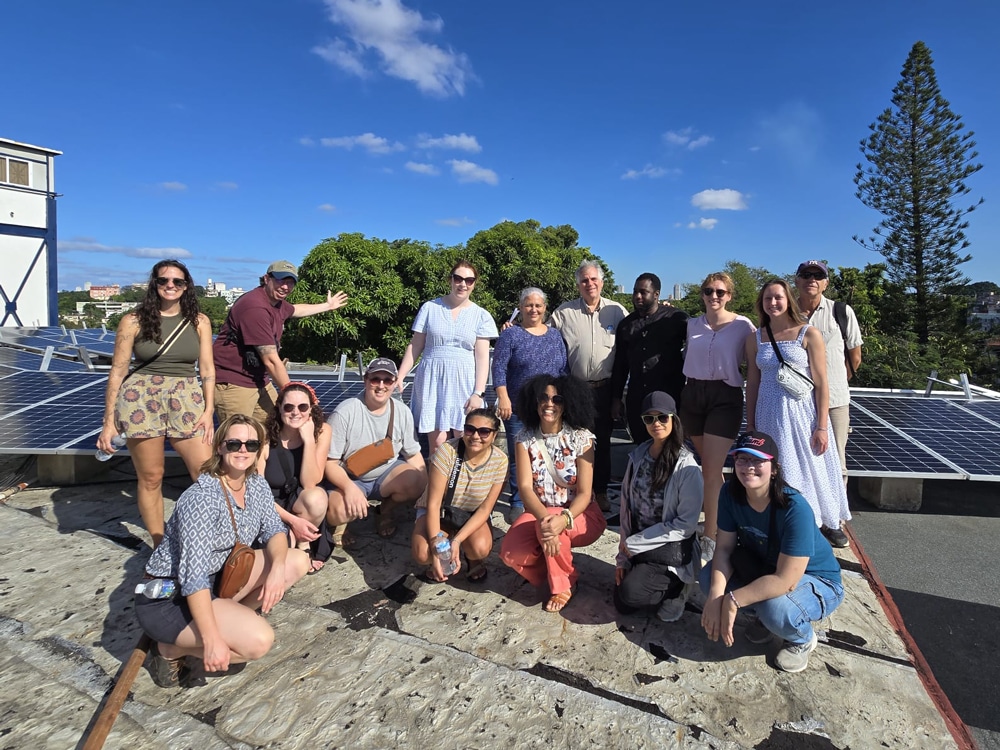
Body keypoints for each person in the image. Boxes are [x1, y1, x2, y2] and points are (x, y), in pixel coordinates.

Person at [135, 414, 310, 687]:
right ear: (219, 447)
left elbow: (274, 530)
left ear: (260, 449)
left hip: (218, 578)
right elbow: (193, 578)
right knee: (258, 643)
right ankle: (169, 650)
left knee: (296, 561)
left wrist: (276, 570)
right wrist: (212, 640)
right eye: (234, 444)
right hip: (172, 598)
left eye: (251, 445)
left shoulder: (255, 484)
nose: (243, 450)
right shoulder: (203, 499)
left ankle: (228, 620)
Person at [700, 431, 845, 673]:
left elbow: (785, 580)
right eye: (742, 459)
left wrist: (734, 601)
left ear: (774, 468)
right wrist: (716, 597)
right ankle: (767, 620)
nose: (749, 467)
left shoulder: (794, 508)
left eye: (758, 460)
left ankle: (801, 638)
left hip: (817, 580)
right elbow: (724, 548)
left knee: (774, 609)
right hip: (766, 567)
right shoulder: (730, 494)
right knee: (708, 580)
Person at [98, 259, 215, 548]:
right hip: (141, 398)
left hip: (187, 396)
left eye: (177, 281)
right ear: (155, 284)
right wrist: (108, 422)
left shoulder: (199, 321)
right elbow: (118, 370)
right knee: (151, 477)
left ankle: (209, 533)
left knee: (207, 473)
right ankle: (160, 542)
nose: (170, 286)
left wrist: (209, 410)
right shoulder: (133, 321)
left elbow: (208, 369)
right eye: (164, 281)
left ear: (187, 286)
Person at [744, 279, 851, 539]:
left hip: (801, 413)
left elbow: (822, 382)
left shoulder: (808, 333)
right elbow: (753, 381)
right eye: (768, 298)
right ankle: (781, 519)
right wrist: (750, 422)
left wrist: (822, 425)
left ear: (788, 300)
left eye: (778, 297)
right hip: (768, 414)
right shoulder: (755, 338)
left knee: (810, 465)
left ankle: (824, 519)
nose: (773, 303)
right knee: (776, 468)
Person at [500, 375, 607, 614]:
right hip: (541, 513)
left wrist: (562, 519)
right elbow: (526, 488)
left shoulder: (582, 438)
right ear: (535, 402)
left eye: (557, 398)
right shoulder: (524, 439)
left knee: (548, 528)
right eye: (544, 398)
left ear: (567, 403)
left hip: (580, 515)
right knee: (510, 552)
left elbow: (585, 493)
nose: (550, 404)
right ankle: (561, 571)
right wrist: (546, 519)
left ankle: (564, 585)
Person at [213, 260, 348, 424]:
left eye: (290, 282)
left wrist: (328, 306)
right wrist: (295, 395)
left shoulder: (276, 303)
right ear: (266, 278)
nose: (285, 287)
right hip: (235, 383)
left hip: (259, 380)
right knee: (239, 439)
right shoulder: (255, 308)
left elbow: (295, 310)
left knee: (272, 428)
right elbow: (270, 360)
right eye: (280, 280)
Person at [679, 272, 756, 559]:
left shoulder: (743, 327)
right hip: (693, 396)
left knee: (711, 470)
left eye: (720, 292)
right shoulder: (692, 325)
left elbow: (755, 366)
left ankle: (710, 539)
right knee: (709, 469)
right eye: (709, 291)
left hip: (725, 397)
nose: (714, 296)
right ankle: (725, 520)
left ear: (730, 296)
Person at [615, 392, 703, 622]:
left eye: (663, 417)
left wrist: (635, 543)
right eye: (649, 418)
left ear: (674, 419)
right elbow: (626, 510)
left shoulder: (687, 466)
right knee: (622, 604)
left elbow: (686, 525)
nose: (656, 424)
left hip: (666, 547)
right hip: (640, 545)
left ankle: (677, 589)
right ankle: (646, 577)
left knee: (630, 594)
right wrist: (622, 559)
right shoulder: (638, 456)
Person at [794, 260, 863, 547]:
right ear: (796, 281)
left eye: (817, 276)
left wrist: (831, 383)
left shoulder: (841, 312)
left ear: (825, 282)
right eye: (806, 275)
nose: (812, 279)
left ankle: (834, 521)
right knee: (797, 459)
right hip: (797, 402)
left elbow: (855, 356)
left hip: (834, 401)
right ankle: (802, 518)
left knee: (836, 461)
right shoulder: (787, 311)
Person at [548, 260, 627, 511]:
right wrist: (515, 329)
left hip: (606, 388)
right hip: (575, 389)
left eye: (594, 279)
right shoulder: (563, 313)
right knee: (574, 444)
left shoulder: (617, 311)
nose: (589, 284)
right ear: (578, 284)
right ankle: (578, 492)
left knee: (602, 443)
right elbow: (542, 336)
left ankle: (601, 492)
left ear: (602, 282)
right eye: (584, 280)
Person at [397, 260, 499, 454]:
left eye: (469, 280)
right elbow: (416, 344)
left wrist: (478, 393)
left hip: (464, 381)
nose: (463, 284)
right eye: (458, 278)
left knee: (465, 438)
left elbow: (482, 357)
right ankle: (437, 484)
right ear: (450, 280)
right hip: (431, 379)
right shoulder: (430, 308)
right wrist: (400, 376)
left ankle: (461, 483)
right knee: (437, 444)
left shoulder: (481, 315)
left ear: (474, 283)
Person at [325, 358, 428, 539]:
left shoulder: (402, 412)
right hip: (350, 477)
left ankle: (383, 512)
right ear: (366, 380)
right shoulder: (345, 412)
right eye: (375, 379)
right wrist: (349, 488)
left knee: (417, 481)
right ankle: (343, 523)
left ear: (395, 383)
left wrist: (426, 489)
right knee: (338, 512)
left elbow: (412, 454)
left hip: (385, 474)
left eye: (387, 380)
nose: (381, 385)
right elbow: (329, 463)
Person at [492, 287, 567, 520]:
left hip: (550, 407)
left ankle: (545, 497)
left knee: (550, 454)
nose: (533, 309)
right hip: (518, 406)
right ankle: (517, 500)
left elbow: (563, 369)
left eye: (538, 305)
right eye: (528, 305)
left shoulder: (555, 336)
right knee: (519, 455)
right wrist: (503, 396)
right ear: (521, 307)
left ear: (545, 308)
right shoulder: (511, 335)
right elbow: (499, 368)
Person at [411, 408, 508, 582]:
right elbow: (433, 504)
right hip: (440, 511)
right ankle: (441, 552)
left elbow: (485, 509)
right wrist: (436, 551)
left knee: (481, 548)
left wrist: (456, 541)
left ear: (494, 436)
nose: (476, 436)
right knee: (423, 553)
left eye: (484, 431)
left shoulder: (500, 461)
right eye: (470, 429)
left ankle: (470, 557)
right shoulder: (448, 451)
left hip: (470, 513)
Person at [261, 382, 333, 572]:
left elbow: (310, 482)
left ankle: (303, 544)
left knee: (317, 496)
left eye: (302, 407)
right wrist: (294, 522)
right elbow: (257, 494)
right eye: (288, 407)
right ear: (279, 408)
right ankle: (293, 539)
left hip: (299, 502)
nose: (295, 412)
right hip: (270, 505)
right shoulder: (265, 437)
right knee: (276, 555)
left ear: (311, 409)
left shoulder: (322, 431)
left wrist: (309, 440)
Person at [611, 272, 688, 445]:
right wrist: (616, 399)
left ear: (656, 294)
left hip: (670, 396)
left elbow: (697, 346)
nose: (638, 296)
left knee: (670, 446)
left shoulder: (676, 319)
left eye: (643, 292)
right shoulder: (626, 325)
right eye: (635, 291)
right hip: (637, 397)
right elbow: (621, 365)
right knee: (641, 445)